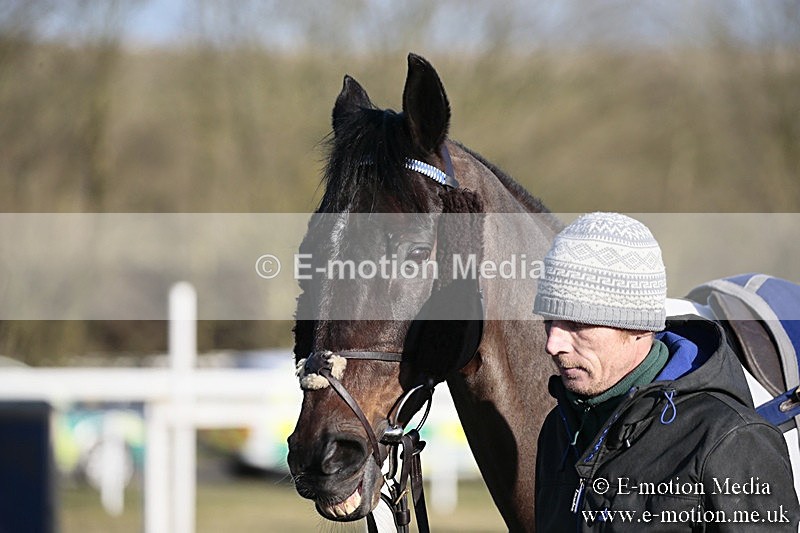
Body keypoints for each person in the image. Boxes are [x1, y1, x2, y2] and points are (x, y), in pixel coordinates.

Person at [532, 212, 800, 531]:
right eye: (549, 321)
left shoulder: (732, 441)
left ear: (638, 327)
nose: (553, 344)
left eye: (577, 325)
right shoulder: (558, 429)